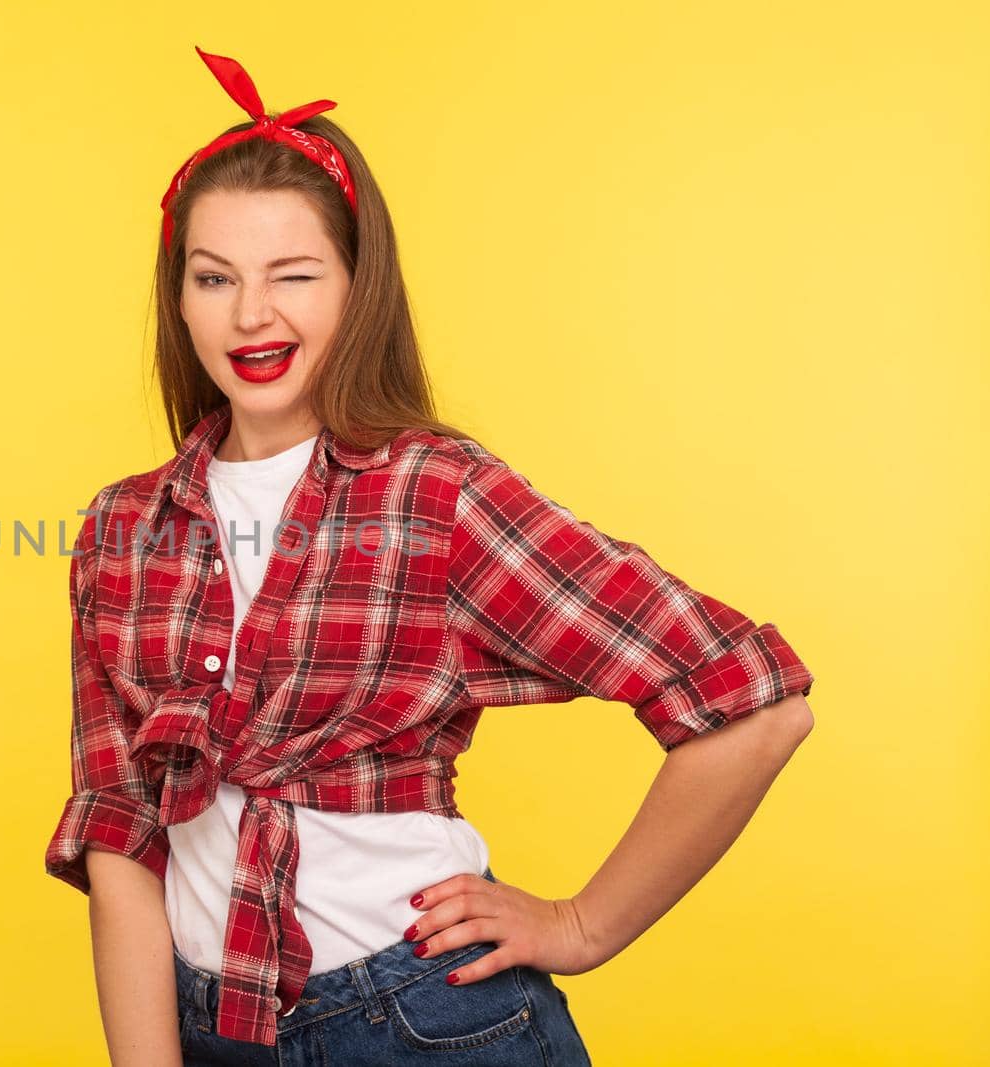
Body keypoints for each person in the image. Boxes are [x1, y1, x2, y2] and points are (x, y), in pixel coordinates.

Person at [43, 46, 816, 1066]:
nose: (250, 314)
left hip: (422, 1024)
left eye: (294, 274)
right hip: (201, 1027)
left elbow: (750, 700)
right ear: (177, 298)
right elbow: (122, 834)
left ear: (356, 288)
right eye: (214, 277)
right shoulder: (121, 531)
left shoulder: (434, 496)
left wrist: (582, 925)